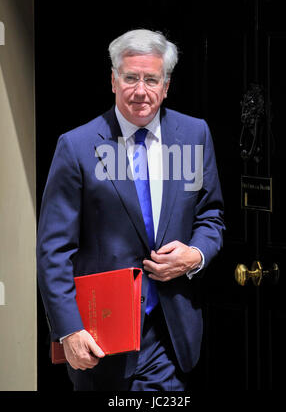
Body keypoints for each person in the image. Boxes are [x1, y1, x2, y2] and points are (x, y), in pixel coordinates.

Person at [37, 28, 225, 391]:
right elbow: (53, 251)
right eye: (131, 78)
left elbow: (211, 215)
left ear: (166, 85)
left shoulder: (194, 134)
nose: (141, 91)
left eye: (151, 79)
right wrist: (68, 329)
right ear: (113, 80)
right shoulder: (76, 147)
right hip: (99, 338)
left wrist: (196, 254)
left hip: (170, 334)